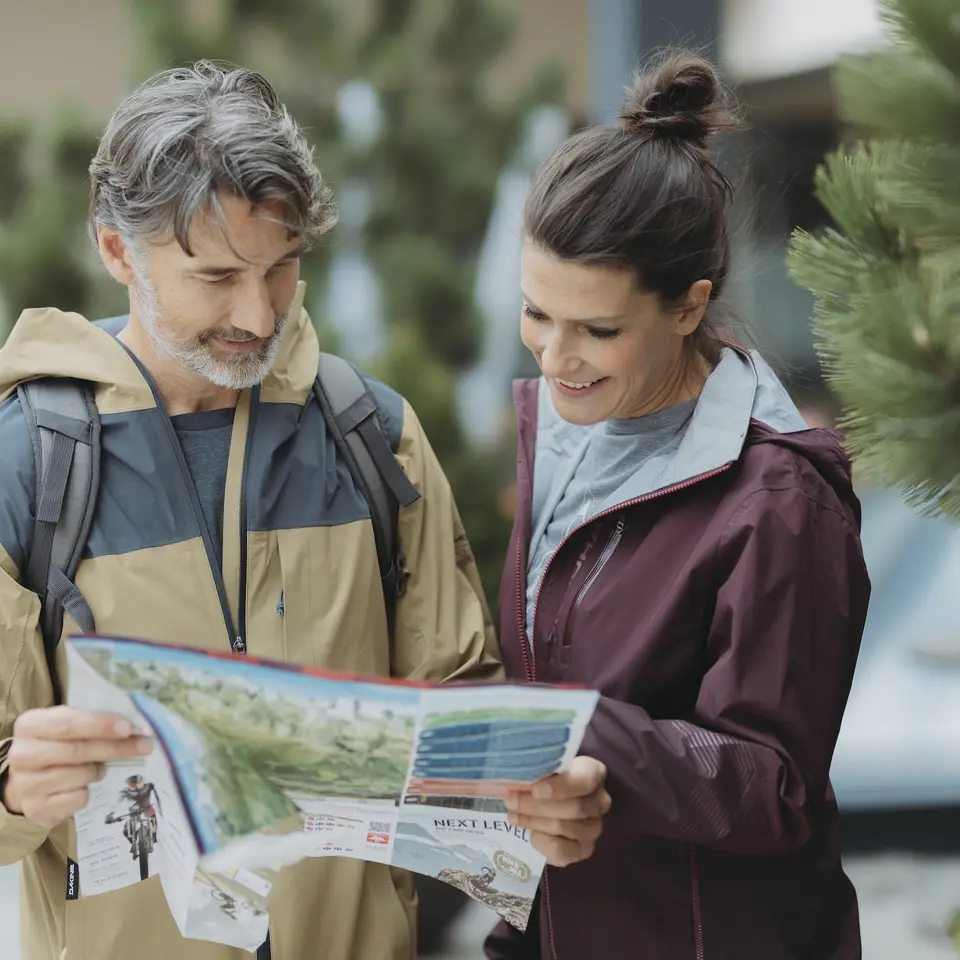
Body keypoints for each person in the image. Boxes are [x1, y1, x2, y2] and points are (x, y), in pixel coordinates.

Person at [0, 62, 607, 960]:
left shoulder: (374, 435)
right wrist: (16, 791)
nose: (259, 311)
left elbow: (459, 716)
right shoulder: (26, 463)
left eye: (283, 267)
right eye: (216, 275)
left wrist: (537, 799)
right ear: (117, 250)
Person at [489, 52, 870, 960]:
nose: (555, 355)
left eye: (599, 329)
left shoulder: (778, 502)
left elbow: (775, 785)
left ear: (690, 306)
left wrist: (578, 730)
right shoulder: (562, 437)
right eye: (536, 313)